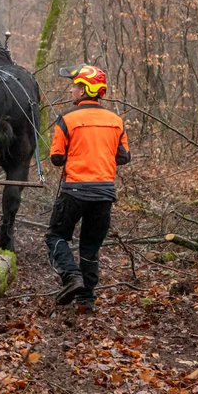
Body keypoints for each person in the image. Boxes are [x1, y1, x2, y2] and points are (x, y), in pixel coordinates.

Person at [46, 64, 130, 312]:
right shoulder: (116, 121)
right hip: (104, 193)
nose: (71, 90)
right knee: (90, 246)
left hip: (74, 191)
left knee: (55, 236)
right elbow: (124, 156)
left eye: (75, 86)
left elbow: (56, 158)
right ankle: (87, 300)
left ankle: (72, 277)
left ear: (84, 91)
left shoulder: (67, 120)